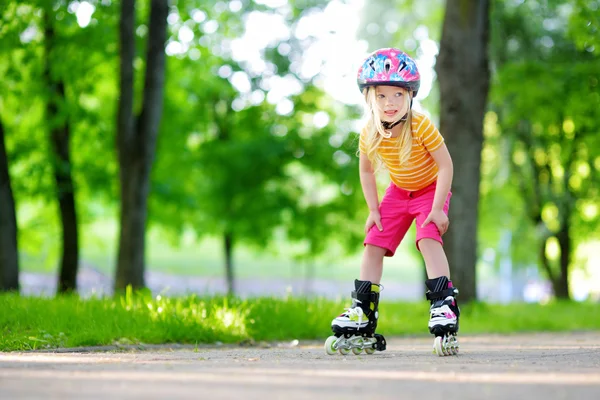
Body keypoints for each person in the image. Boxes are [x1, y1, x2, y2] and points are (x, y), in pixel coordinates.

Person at [330, 48, 460, 356]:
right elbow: (365, 170)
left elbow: (446, 166)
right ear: (370, 99)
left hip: (430, 190)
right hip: (398, 194)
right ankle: (362, 312)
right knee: (373, 242)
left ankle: (444, 305)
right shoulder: (369, 132)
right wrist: (374, 209)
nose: (390, 104)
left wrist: (438, 208)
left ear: (411, 96)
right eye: (382, 96)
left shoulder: (421, 125)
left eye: (398, 95)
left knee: (427, 237)